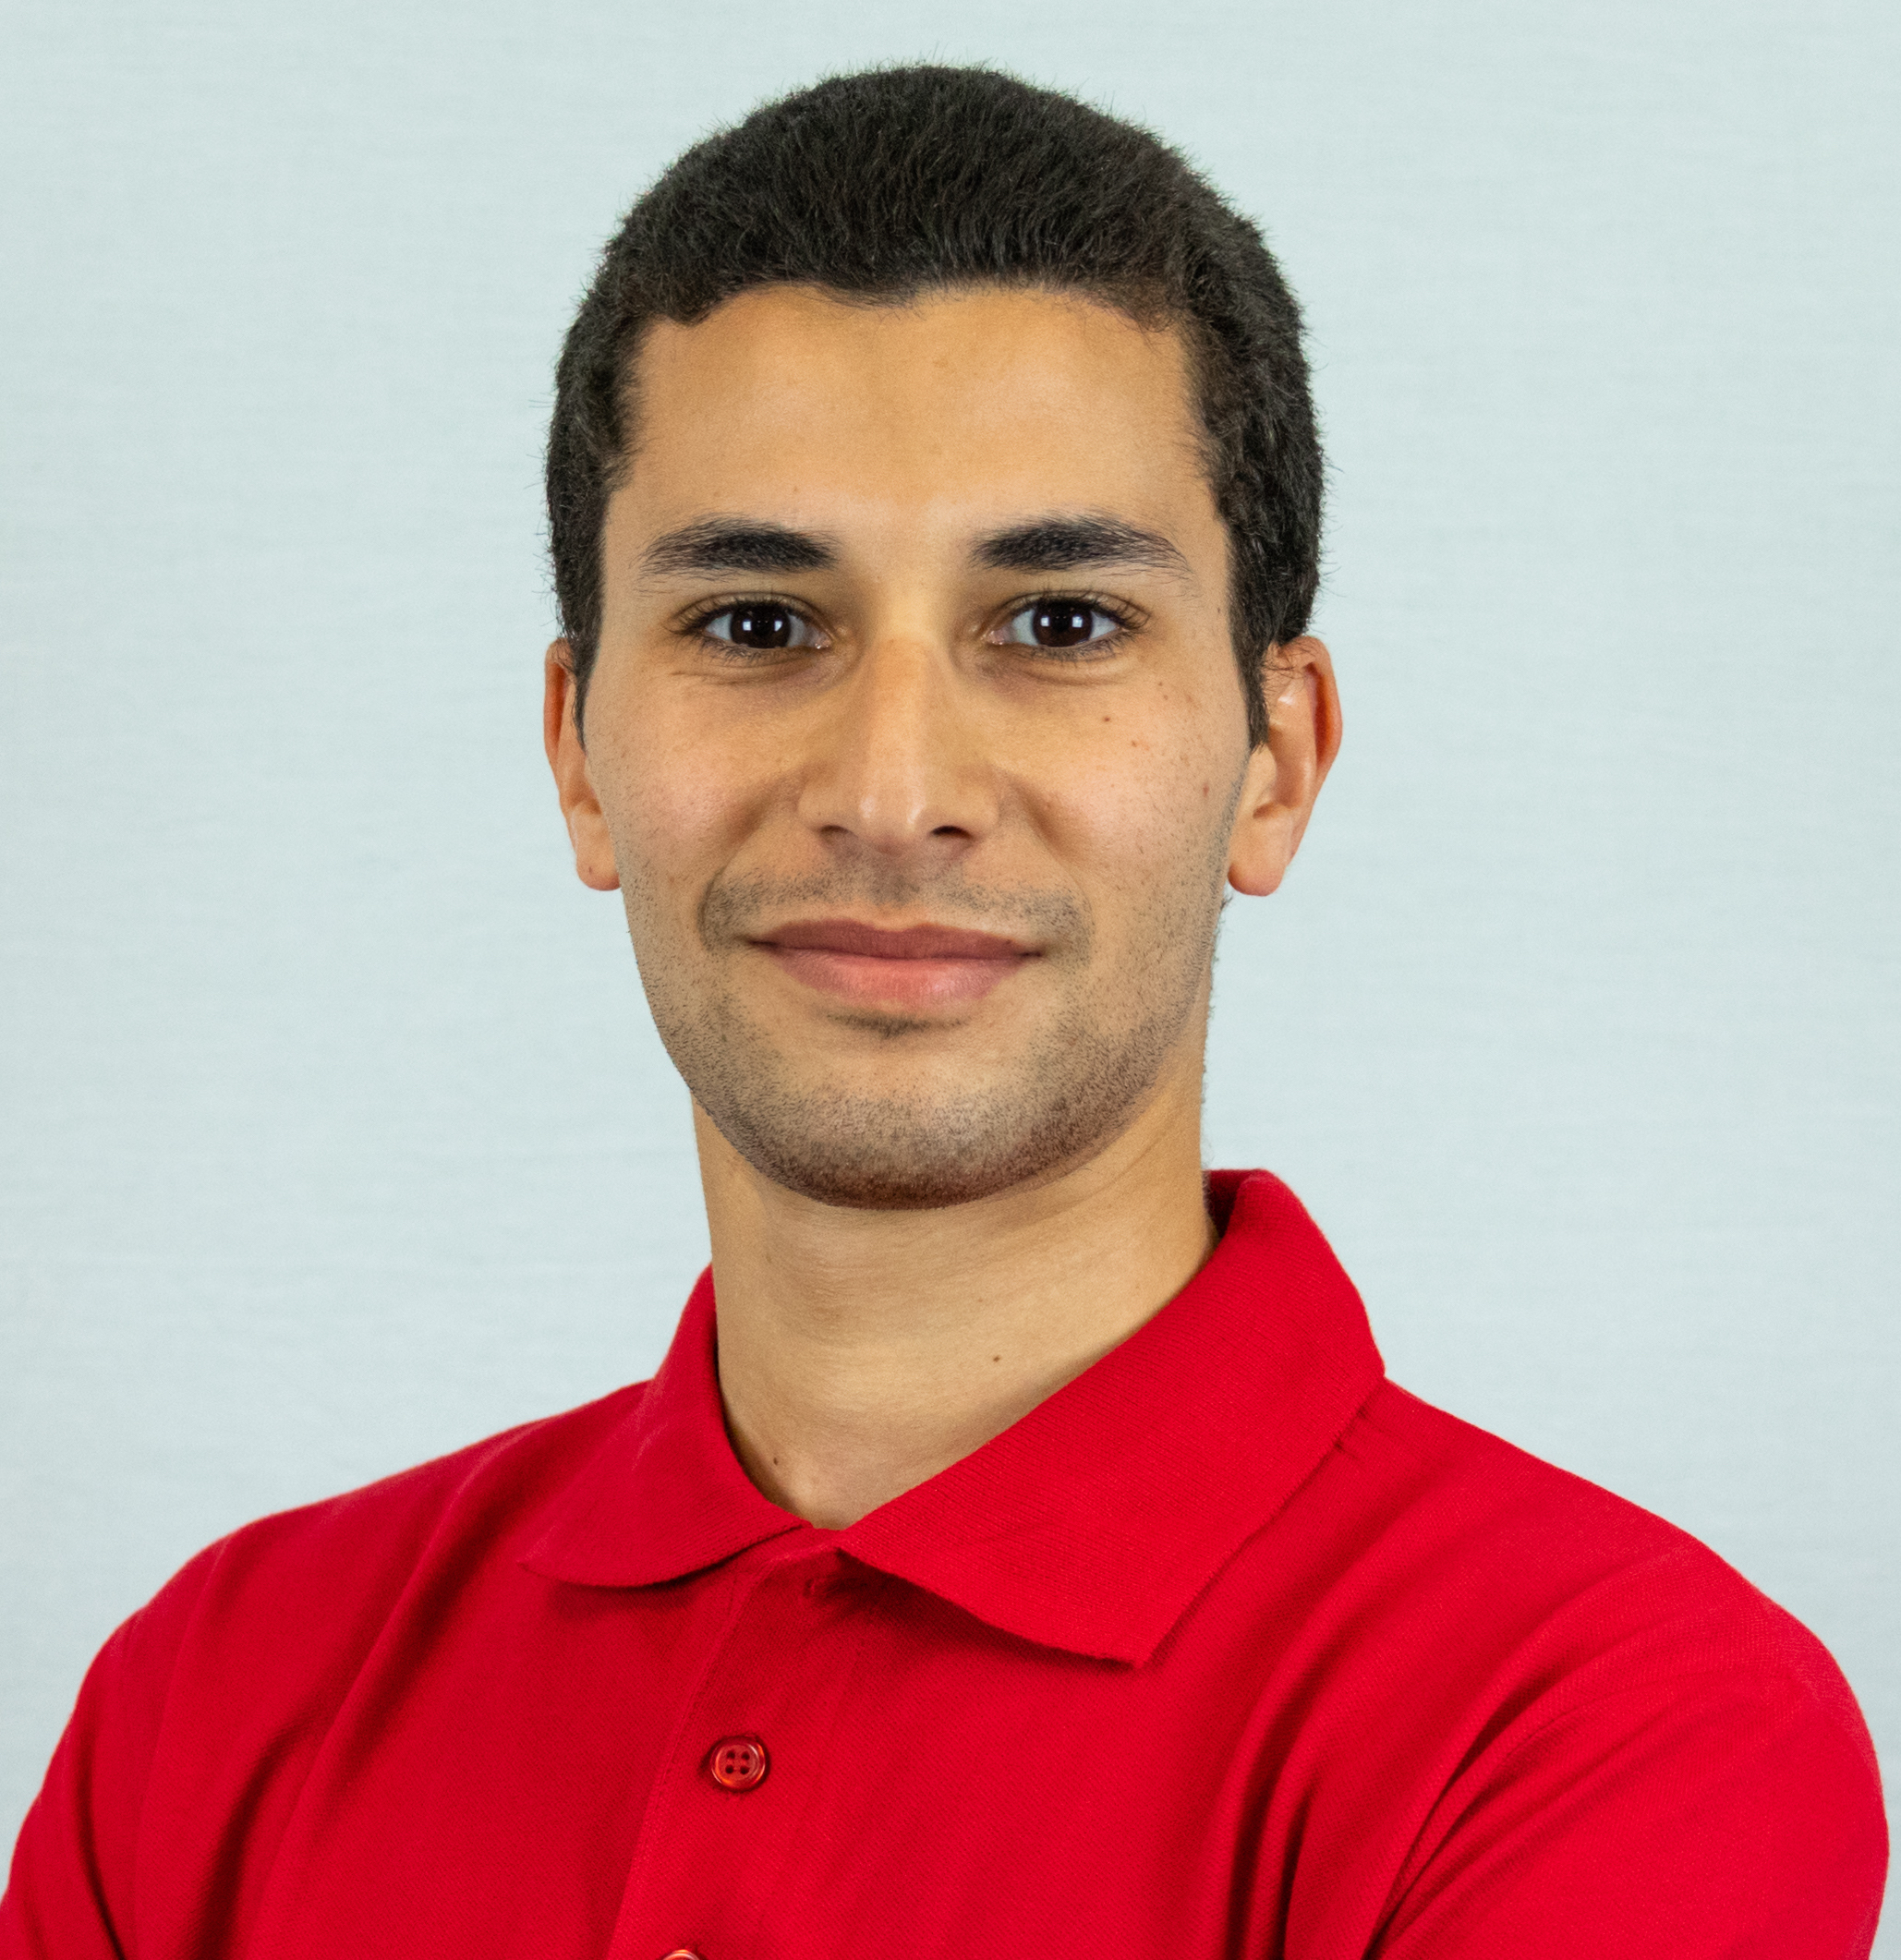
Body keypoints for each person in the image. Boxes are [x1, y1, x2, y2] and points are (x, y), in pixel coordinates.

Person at [1, 63, 1886, 1960]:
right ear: (578, 753)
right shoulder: (216, 1701)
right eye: (757, 623)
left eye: (1059, 622)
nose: (892, 791)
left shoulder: (1613, 1728)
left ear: (1277, 760)